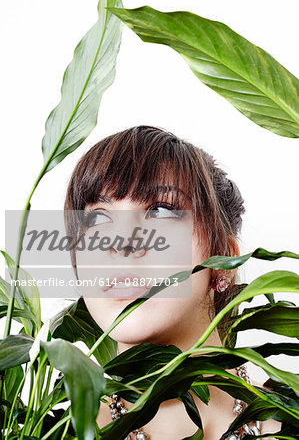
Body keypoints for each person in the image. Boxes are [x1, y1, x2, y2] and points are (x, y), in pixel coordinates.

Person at [64, 125, 280, 439]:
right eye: (97, 217)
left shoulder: (289, 419)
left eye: (161, 211)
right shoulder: (45, 428)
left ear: (223, 262)